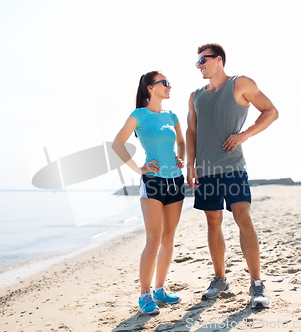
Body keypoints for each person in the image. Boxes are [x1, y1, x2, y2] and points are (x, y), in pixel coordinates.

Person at [186, 43, 279, 308]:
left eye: (203, 60)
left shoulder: (240, 83)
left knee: (242, 215)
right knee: (213, 222)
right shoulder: (195, 96)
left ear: (219, 60)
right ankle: (219, 278)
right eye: (197, 63)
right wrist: (190, 165)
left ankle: (257, 284)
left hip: (233, 168)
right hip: (205, 172)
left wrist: (244, 134)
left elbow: (271, 112)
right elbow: (191, 132)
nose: (199, 66)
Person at [112, 71, 186, 315]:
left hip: (175, 181)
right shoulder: (139, 115)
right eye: (164, 83)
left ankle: (160, 289)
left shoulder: (171, 115)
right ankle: (144, 295)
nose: (169, 86)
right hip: (152, 182)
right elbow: (117, 144)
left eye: (169, 83)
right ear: (150, 88)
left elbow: (182, 143)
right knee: (153, 239)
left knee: (168, 238)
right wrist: (139, 168)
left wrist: (181, 158)